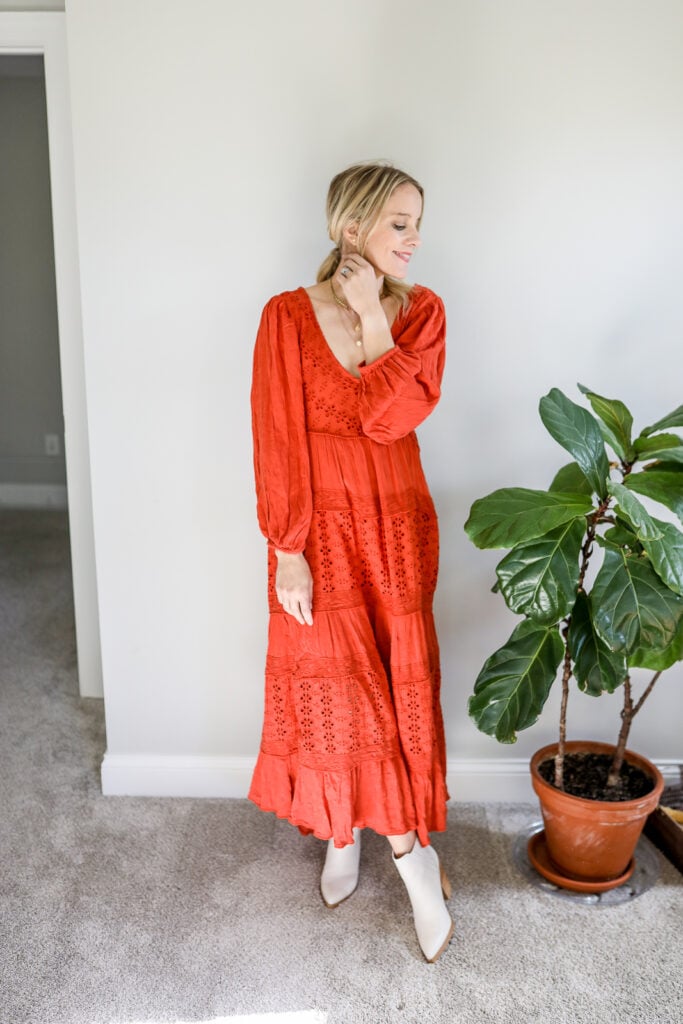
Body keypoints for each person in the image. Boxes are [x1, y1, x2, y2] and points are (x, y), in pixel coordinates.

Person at [249, 162, 451, 963]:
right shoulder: (284, 317)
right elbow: (274, 437)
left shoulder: (421, 312)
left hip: (394, 529)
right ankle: (377, 844)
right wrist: (286, 548)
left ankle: (388, 848)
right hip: (319, 538)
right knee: (339, 692)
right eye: (398, 222)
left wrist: (372, 312)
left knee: (388, 695)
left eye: (415, 222)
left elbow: (388, 419)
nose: (413, 237)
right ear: (350, 226)